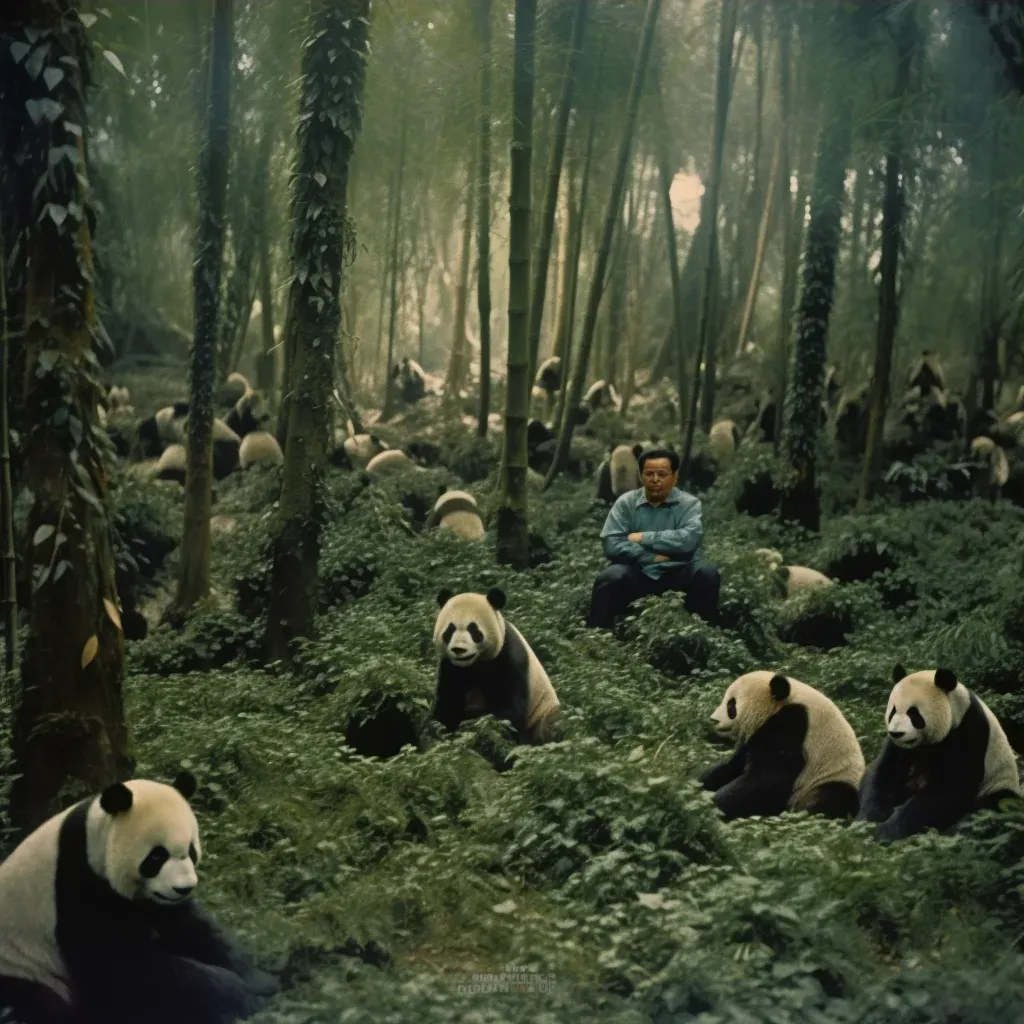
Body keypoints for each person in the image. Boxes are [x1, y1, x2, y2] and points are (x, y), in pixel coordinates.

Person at [586, 447, 720, 629]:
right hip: (638, 572)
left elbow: (687, 541)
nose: (655, 479)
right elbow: (612, 543)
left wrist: (642, 537)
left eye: (662, 474)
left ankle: (705, 632)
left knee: (707, 573)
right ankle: (596, 636)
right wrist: (650, 557)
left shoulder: (689, 504)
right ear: (640, 476)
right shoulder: (626, 503)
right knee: (610, 577)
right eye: (649, 473)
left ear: (674, 476)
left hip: (680, 571)